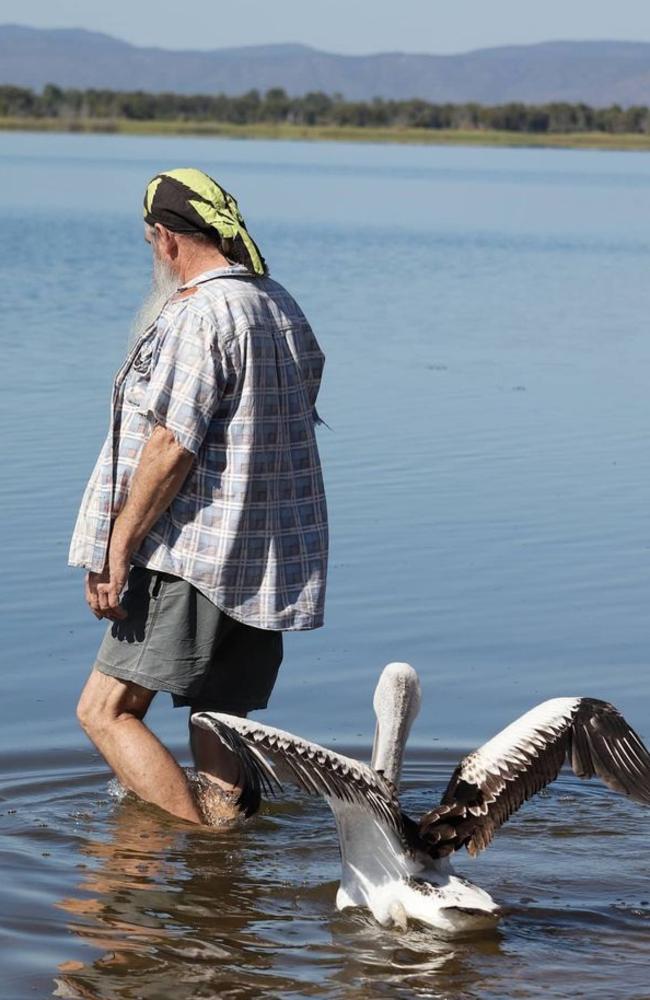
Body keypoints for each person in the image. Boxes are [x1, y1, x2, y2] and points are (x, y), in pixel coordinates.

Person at [70, 168, 328, 825]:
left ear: (165, 239)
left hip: (192, 556)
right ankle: (225, 884)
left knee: (104, 712)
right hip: (265, 558)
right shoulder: (279, 305)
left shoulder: (200, 314)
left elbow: (171, 447)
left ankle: (197, 849)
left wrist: (117, 545)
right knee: (220, 721)